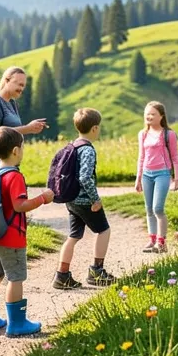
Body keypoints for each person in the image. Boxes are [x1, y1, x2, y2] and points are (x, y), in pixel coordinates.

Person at [0, 126, 55, 337]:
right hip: (12, 237)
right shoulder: (14, 177)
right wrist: (42, 199)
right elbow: (20, 205)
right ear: (15, 151)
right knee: (16, 277)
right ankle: (17, 323)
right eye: (22, 147)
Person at [52, 108, 118, 289]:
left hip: (71, 200)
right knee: (104, 230)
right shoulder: (88, 150)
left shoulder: (73, 145)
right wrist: (95, 199)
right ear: (95, 128)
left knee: (73, 236)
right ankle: (97, 271)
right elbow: (85, 177)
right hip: (84, 201)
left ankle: (62, 275)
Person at [133, 101, 178, 253]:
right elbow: (141, 157)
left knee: (158, 208)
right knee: (148, 209)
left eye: (153, 114)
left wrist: (177, 178)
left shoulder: (169, 134)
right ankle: (152, 239)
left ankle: (162, 242)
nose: (149, 116)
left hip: (163, 173)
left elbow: (175, 157)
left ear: (161, 116)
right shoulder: (142, 134)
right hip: (147, 174)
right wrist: (138, 178)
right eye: (147, 114)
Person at [0, 66, 47, 171]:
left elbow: (12, 130)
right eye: (19, 84)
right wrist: (27, 128)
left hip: (10, 161)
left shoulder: (12, 103)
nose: (21, 89)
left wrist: (30, 128)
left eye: (23, 86)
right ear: (7, 80)